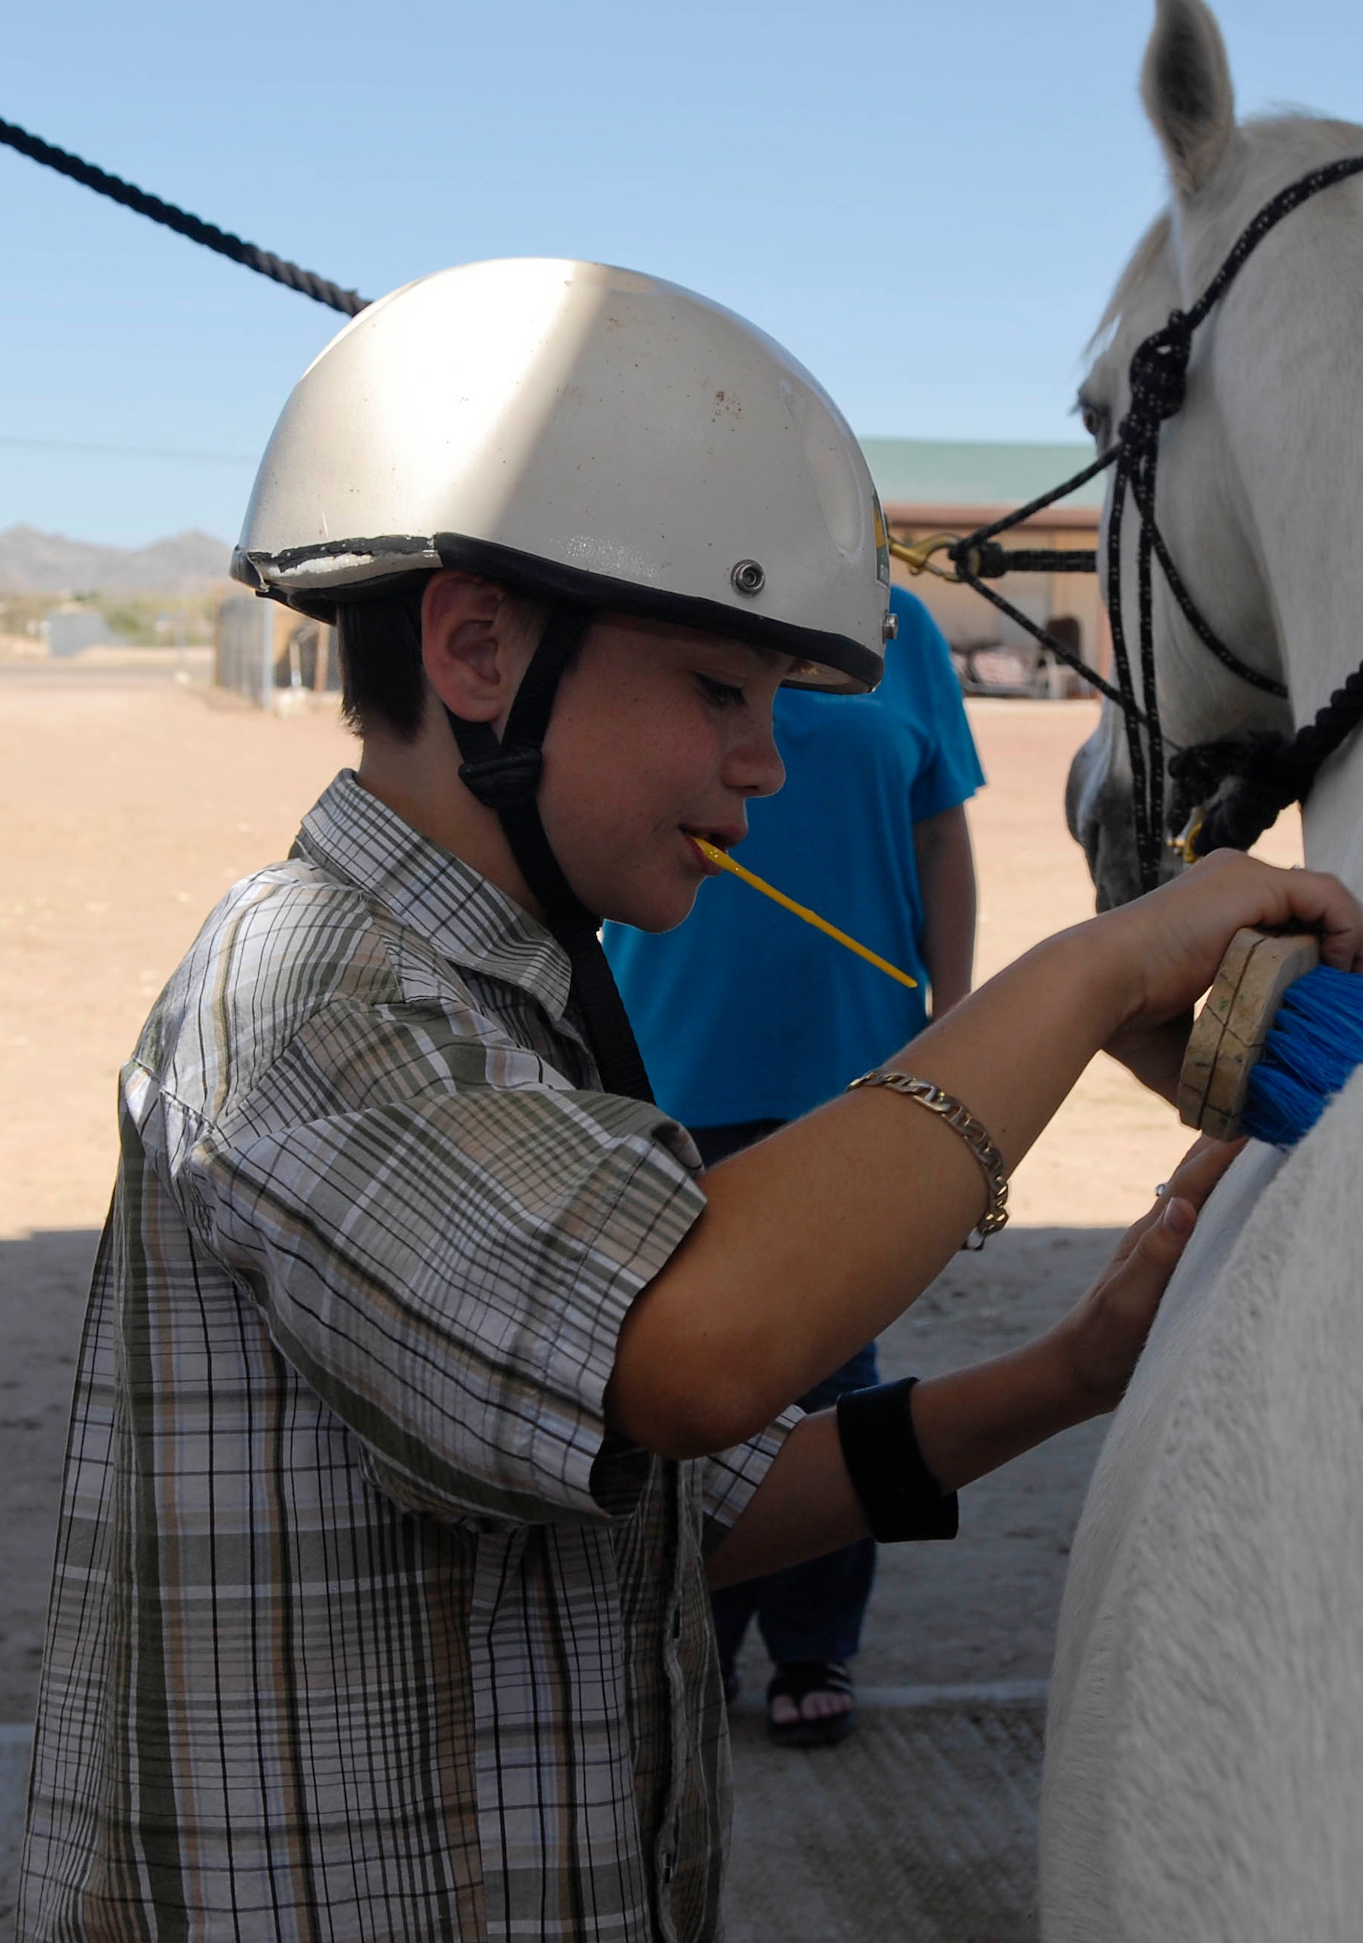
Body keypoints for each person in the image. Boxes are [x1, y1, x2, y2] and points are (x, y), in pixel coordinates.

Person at [18, 258, 1363, 1943]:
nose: (766, 762)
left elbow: (705, 1499)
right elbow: (687, 1353)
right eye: (719, 692)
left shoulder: (510, 1007)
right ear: (474, 647)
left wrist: (1074, 1368)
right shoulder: (305, 999)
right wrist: (1093, 968)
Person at [605, 581, 983, 1746]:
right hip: (675, 1041)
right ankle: (697, 1631)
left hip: (859, 1047)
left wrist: (958, 1012)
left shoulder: (902, 629)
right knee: (697, 1359)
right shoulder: (659, 601)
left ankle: (814, 1639)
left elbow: (938, 828)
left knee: (834, 1357)